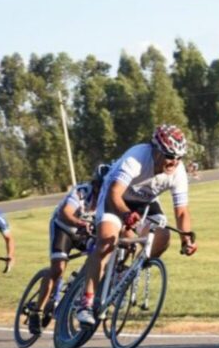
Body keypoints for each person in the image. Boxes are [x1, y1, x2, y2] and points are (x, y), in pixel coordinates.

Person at [75, 124, 197, 326]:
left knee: (163, 237)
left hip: (143, 203)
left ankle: (123, 275)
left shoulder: (178, 172)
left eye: (178, 157)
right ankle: (85, 303)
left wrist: (186, 240)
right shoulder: (136, 158)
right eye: (168, 155)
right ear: (155, 150)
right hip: (115, 198)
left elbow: (181, 211)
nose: (173, 162)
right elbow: (114, 193)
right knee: (107, 242)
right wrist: (125, 214)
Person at [27, 164, 110, 335]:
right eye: (99, 186)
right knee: (58, 268)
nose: (102, 190)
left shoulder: (108, 199)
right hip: (63, 228)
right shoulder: (81, 192)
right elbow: (65, 212)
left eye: (106, 187)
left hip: (84, 234)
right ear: (94, 184)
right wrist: (81, 223)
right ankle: (37, 311)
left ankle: (78, 287)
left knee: (98, 257)